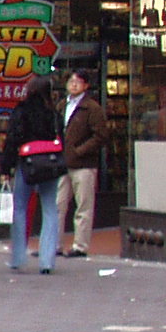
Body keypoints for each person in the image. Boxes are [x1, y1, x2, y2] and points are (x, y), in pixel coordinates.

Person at [1, 72, 64, 274]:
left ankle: (18, 257)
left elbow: (13, 138)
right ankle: (47, 260)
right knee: (50, 208)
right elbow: (61, 138)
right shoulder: (54, 114)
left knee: (20, 207)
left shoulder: (22, 110)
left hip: (27, 163)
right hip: (50, 163)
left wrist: (6, 167)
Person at [57, 69, 107, 257]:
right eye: (71, 81)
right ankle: (54, 244)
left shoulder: (92, 108)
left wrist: (80, 150)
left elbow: (100, 136)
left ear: (86, 85)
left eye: (78, 81)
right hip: (63, 163)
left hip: (84, 164)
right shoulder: (62, 105)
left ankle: (80, 245)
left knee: (83, 206)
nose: (73, 84)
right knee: (57, 204)